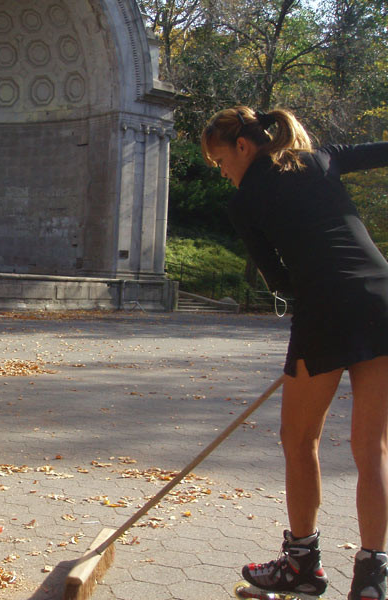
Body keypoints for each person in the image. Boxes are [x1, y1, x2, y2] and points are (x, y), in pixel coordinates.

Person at [201, 106, 388, 600]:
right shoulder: (324, 158)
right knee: (373, 449)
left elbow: (279, 280)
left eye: (220, 162)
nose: (223, 173)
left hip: (324, 310)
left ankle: (302, 565)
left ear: (243, 147)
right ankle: (372, 579)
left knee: (298, 440)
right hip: (383, 299)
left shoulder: (245, 202)